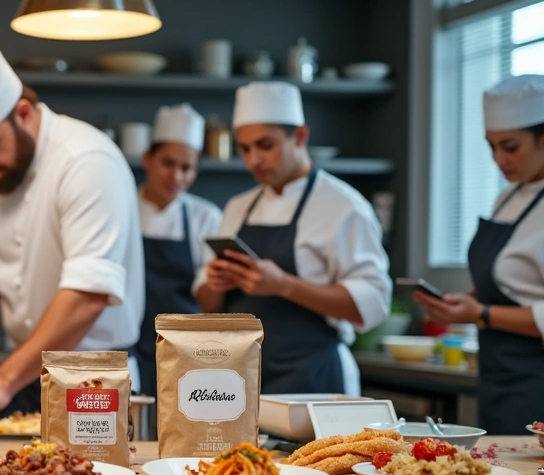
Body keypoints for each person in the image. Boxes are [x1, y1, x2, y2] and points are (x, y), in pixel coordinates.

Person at [0, 39, 144, 414]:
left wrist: (3, 381)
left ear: (23, 113)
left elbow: (88, 295)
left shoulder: (86, 161)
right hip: (26, 374)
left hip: (97, 379)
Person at [195, 81, 391, 396]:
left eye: (265, 145)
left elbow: (371, 305)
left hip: (314, 380)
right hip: (241, 381)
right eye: (245, 148)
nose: (254, 160)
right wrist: (215, 284)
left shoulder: (344, 206)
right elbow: (207, 303)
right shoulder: (237, 207)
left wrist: (284, 285)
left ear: (300, 136)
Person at [412, 75, 544, 434]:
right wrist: (464, 302)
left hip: (536, 380)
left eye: (510, 146)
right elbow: (509, 281)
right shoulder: (508, 197)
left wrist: (481, 313)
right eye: (491, 146)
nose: (499, 159)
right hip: (498, 375)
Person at [132, 103, 221, 397]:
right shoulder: (123, 208)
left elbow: (208, 292)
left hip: (187, 352)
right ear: (148, 159)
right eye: (168, 163)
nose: (177, 176)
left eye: (187, 168)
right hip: (131, 345)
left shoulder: (206, 217)